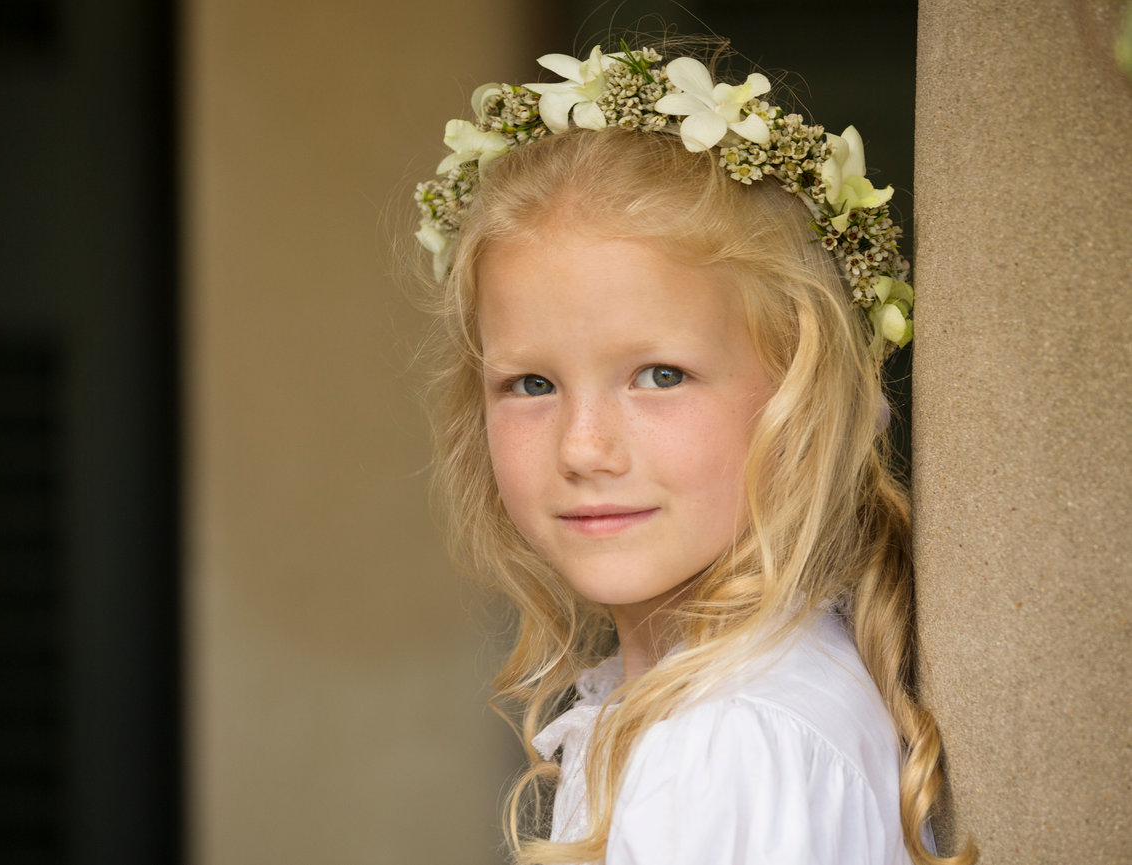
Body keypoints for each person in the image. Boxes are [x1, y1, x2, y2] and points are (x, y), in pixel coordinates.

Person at [413, 42, 978, 865]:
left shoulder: (724, 745)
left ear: (800, 398)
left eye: (659, 375)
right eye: (532, 384)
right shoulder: (719, 705)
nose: (582, 447)